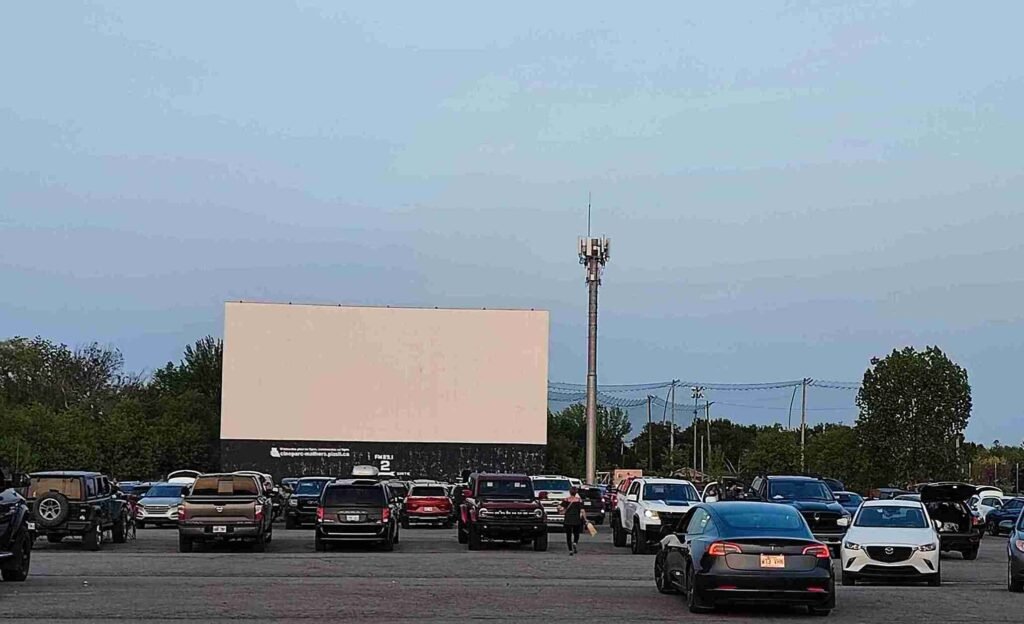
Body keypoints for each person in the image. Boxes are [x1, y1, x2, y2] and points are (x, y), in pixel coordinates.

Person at [559, 486, 587, 555]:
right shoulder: (579, 500)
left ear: (570, 492)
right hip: (576, 519)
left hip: (568, 519)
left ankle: (570, 550)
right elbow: (582, 511)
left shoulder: (566, 500)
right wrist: (585, 519)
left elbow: (559, 507)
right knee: (576, 533)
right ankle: (575, 543)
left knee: (568, 535)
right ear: (576, 492)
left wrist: (560, 512)